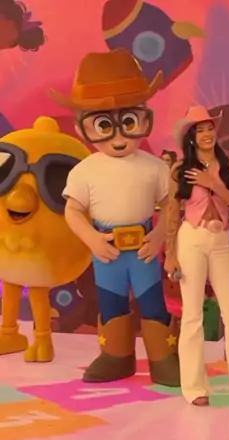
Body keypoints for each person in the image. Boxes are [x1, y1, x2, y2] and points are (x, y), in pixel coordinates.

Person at [52, 49, 180, 386]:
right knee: (111, 302)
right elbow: (72, 211)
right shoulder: (85, 170)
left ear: (144, 118)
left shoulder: (156, 167)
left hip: (144, 249)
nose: (119, 137)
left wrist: (159, 237)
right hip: (106, 250)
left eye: (129, 122)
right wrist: (92, 239)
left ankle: (163, 358)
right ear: (83, 127)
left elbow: (171, 205)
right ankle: (115, 355)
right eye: (104, 126)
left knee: (152, 302)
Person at [164, 105, 229, 406]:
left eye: (210, 128)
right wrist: (170, 254)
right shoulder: (179, 170)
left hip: (221, 240)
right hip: (191, 239)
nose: (206, 134)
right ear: (191, 136)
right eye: (200, 130)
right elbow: (172, 212)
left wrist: (213, 184)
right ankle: (195, 388)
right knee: (192, 315)